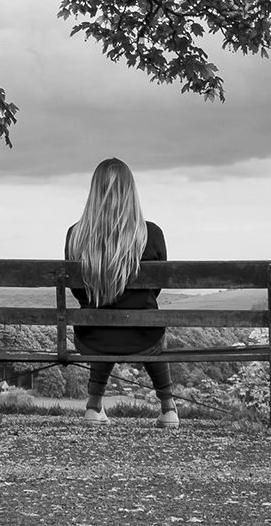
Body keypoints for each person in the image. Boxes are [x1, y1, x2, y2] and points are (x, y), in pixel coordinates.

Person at [65, 157, 179, 427]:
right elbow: (155, 289)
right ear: (131, 192)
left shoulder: (75, 235)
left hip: (92, 337)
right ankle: (169, 408)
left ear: (94, 192)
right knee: (146, 321)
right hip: (143, 336)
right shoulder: (151, 234)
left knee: (105, 322)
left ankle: (93, 407)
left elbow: (79, 293)